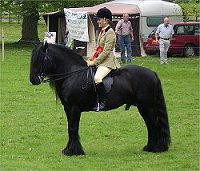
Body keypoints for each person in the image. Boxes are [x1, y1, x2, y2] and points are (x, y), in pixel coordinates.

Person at [87, 7, 120, 111]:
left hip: (108, 62)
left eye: (99, 19)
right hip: (101, 61)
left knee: (97, 78)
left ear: (105, 19)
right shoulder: (102, 32)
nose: (97, 21)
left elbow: (106, 51)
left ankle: (104, 102)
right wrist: (90, 58)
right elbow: (98, 48)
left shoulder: (110, 32)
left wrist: (95, 62)